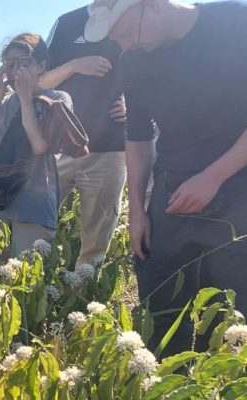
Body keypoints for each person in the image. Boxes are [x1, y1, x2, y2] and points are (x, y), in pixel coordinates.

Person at [85, 0, 247, 357]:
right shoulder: (135, 61)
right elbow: (139, 138)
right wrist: (138, 211)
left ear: (154, 5)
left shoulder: (236, 21)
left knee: (229, 324)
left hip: (237, 192)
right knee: (158, 314)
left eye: (126, 32)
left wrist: (213, 177)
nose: (125, 47)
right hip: (171, 195)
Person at [0, 34, 77, 255]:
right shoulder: (4, 101)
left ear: (41, 66)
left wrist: (26, 97)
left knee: (26, 279)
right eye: (10, 63)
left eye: (25, 63)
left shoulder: (57, 99)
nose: (16, 69)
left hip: (32, 207)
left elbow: (39, 146)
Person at [40, 0, 129, 267]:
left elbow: (156, 76)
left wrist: (136, 106)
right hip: (57, 148)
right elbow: (39, 82)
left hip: (109, 151)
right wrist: (75, 65)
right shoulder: (67, 22)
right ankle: (34, 293)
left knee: (95, 244)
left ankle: (82, 298)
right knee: (36, 227)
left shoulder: (131, 20)